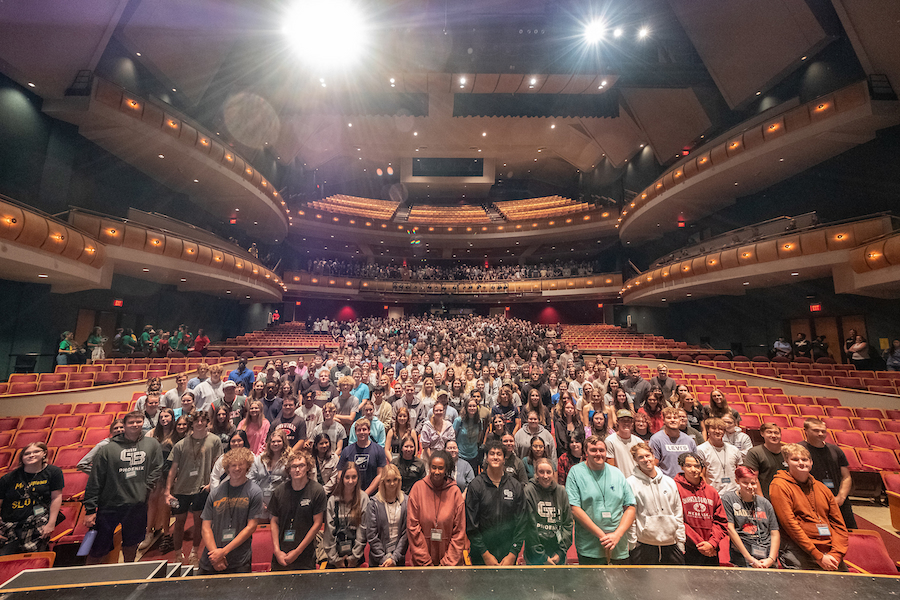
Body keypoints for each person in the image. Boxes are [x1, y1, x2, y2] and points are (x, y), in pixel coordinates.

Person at [83, 411, 164, 563]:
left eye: (138, 421)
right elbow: (95, 479)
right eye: (131, 422)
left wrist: (145, 486)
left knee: (131, 544)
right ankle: (90, 578)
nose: (135, 424)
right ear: (125, 425)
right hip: (109, 505)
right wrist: (89, 509)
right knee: (98, 547)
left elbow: (157, 467)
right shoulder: (107, 449)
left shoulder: (152, 444)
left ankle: (129, 572)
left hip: (137, 505)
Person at [769, 443, 849, 571]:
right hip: (799, 549)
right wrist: (818, 556)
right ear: (786, 462)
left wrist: (837, 553)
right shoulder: (779, 485)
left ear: (811, 462)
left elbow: (838, 524)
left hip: (829, 550)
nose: (801, 463)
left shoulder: (822, 488)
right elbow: (790, 524)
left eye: (805, 459)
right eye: (795, 459)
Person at [565, 435, 636, 565]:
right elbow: (574, 508)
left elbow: (630, 506)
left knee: (620, 584)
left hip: (618, 545)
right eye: (593, 450)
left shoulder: (617, 473)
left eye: (601, 450)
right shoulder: (575, 473)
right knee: (592, 585)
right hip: (590, 546)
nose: (598, 454)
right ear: (586, 452)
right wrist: (602, 536)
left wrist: (617, 535)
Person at [164, 409, 223, 565]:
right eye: (196, 420)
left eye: (202, 420)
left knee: (199, 522)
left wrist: (212, 484)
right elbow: (173, 469)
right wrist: (167, 491)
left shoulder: (215, 440)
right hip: (181, 489)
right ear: (192, 423)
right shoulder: (180, 444)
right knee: (179, 522)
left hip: (202, 488)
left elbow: (218, 465)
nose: (199, 423)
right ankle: (177, 554)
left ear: (207, 422)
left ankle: (194, 552)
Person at [198, 447, 263, 575]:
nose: (237, 468)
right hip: (211, 558)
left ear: (247, 467)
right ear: (227, 468)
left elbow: (251, 527)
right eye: (233, 465)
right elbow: (206, 527)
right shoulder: (216, 492)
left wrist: (223, 552)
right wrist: (216, 555)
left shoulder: (255, 492)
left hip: (238, 560)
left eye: (241, 465)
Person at [465, 441, 526, 565]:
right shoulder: (476, 485)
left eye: (499, 454)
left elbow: (521, 522)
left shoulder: (515, 486)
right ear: (486, 458)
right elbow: (471, 525)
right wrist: (485, 554)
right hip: (481, 556)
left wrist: (513, 553)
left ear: (504, 459)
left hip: (508, 554)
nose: (495, 457)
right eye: (492, 454)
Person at [626, 442, 685, 565]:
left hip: (671, 544)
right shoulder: (630, 483)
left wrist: (681, 541)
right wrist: (632, 544)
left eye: (647, 455)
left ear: (653, 456)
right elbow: (631, 517)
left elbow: (677, 512)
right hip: (644, 545)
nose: (645, 459)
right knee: (644, 584)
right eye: (640, 457)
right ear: (635, 460)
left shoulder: (669, 482)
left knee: (676, 583)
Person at [0, 443, 63, 555]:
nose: (31, 455)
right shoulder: (9, 478)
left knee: (34, 558)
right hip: (9, 523)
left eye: (36, 452)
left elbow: (56, 497)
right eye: (27, 453)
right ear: (22, 457)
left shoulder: (53, 472)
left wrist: (51, 523)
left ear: (44, 453)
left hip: (37, 522)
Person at [268, 449, 327, 571]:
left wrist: (298, 551)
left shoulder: (317, 491)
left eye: (301, 465)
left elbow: (317, 524)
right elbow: (274, 521)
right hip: (281, 556)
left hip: (305, 556)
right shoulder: (279, 491)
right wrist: (277, 550)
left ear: (308, 467)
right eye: (294, 466)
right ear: (289, 470)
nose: (297, 469)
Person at [408, 450, 466, 566]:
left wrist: (446, 564)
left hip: (450, 566)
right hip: (421, 564)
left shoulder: (455, 492)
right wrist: (425, 562)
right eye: (433, 467)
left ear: (446, 469)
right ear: (429, 467)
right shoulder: (417, 489)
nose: (437, 472)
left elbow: (459, 532)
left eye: (441, 468)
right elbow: (413, 528)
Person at [800, 418, 857, 529]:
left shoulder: (836, 450)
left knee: (848, 532)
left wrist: (841, 497)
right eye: (816, 430)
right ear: (805, 431)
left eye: (823, 431)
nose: (821, 434)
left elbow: (846, 477)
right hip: (810, 502)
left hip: (837, 501)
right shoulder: (799, 450)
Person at [674, 452, 727, 566]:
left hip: (711, 550)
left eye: (697, 466)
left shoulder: (711, 491)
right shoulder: (674, 488)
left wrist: (712, 543)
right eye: (688, 466)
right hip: (687, 549)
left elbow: (721, 521)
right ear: (682, 466)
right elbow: (676, 521)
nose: (693, 469)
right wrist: (700, 544)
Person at [721, 466, 780, 568]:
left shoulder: (764, 503)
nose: (749, 486)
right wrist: (749, 558)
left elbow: (774, 532)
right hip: (743, 555)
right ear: (737, 481)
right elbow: (730, 529)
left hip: (766, 554)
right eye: (745, 483)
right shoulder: (729, 499)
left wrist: (771, 559)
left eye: (753, 483)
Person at [523, 457, 573, 565]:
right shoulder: (528, 492)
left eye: (548, 472)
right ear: (536, 474)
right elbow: (529, 527)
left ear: (553, 473)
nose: (545, 476)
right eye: (541, 472)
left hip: (557, 553)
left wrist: (560, 552)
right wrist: (542, 557)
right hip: (535, 555)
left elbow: (567, 523)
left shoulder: (561, 492)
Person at [323, 462, 369, 568]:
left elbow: (363, 530)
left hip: (356, 557)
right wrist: (335, 559)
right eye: (347, 477)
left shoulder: (363, 498)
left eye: (354, 477)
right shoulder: (333, 500)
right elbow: (329, 532)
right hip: (335, 556)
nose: (350, 481)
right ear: (342, 478)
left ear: (358, 478)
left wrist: (354, 558)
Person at [364, 464, 408, 568]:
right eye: (388, 480)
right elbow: (372, 535)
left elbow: (405, 534)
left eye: (395, 480)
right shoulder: (373, 503)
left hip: (398, 560)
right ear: (383, 482)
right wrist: (384, 559)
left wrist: (394, 558)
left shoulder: (406, 501)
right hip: (378, 561)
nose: (392, 483)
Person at [338, 418, 387, 496]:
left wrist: (365, 494)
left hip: (372, 496)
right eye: (359, 430)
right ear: (355, 432)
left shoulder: (379, 450)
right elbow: (340, 473)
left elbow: (380, 475)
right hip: (350, 495)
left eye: (364, 429)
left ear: (369, 431)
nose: (361, 432)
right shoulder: (347, 451)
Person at [697, 418, 742, 495]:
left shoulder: (734, 449)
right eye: (713, 428)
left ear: (724, 432)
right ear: (708, 430)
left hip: (734, 493)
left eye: (721, 429)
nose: (717, 431)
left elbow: (740, 471)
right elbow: (701, 475)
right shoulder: (701, 450)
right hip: (714, 493)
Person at [649, 407, 697, 478]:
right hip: (666, 482)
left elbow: (695, 464)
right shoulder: (656, 439)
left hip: (687, 482)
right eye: (669, 418)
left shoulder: (689, 441)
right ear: (664, 421)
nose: (672, 420)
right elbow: (654, 465)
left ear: (680, 420)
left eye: (675, 418)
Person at [743, 423, 786, 499]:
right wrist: (762, 500)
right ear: (762, 434)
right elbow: (753, 477)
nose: (773, 435)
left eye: (776, 433)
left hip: (786, 496)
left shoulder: (788, 451)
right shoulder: (755, 452)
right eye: (769, 432)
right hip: (766, 497)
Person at [252, 430, 289, 519]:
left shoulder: (289, 459)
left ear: (284, 442)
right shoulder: (260, 458)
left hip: (281, 501)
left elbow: (290, 482)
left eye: (279, 441)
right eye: (273, 441)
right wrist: (258, 500)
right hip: (261, 500)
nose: (275, 444)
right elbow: (252, 479)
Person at [604, 409, 641, 478]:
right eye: (623, 420)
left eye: (628, 421)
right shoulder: (610, 441)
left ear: (632, 423)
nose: (626, 423)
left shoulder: (639, 441)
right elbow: (610, 466)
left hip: (637, 480)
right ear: (617, 422)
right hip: (619, 480)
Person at [453, 398, 484, 474]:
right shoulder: (459, 421)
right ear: (466, 407)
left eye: (474, 406)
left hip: (473, 455)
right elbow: (453, 437)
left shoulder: (479, 421)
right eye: (470, 406)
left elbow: (479, 436)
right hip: (460, 455)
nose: (472, 408)